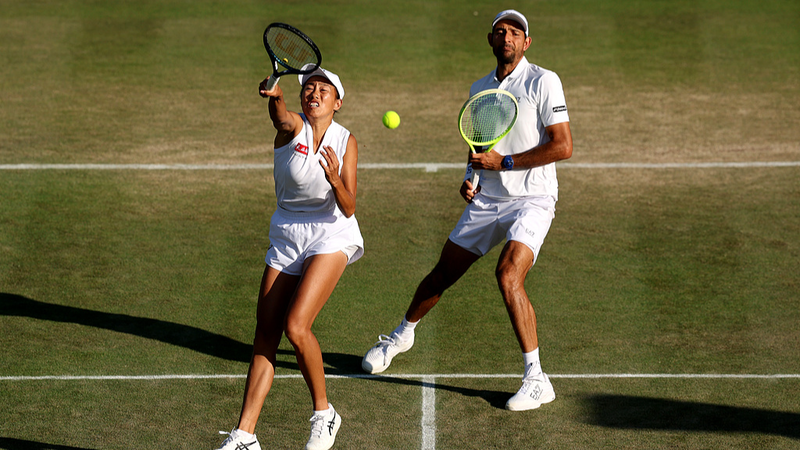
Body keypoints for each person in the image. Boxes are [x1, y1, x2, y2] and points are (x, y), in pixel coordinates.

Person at [362, 9, 572, 412]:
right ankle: (401, 335)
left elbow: (563, 146)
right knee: (443, 273)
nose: (507, 36)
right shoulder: (481, 88)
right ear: (491, 41)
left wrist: (505, 164)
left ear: (526, 43)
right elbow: (479, 143)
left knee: (508, 274)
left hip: (533, 198)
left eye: (515, 32)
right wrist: (471, 175)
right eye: (500, 31)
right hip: (488, 197)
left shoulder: (544, 81)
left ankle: (536, 378)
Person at [216, 66, 363, 450]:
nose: (314, 93)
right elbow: (279, 115)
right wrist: (275, 96)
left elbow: (348, 208)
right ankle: (245, 436)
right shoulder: (290, 128)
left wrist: (334, 179)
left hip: (330, 233)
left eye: (323, 89)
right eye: (309, 88)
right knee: (265, 332)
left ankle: (324, 414)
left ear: (338, 102)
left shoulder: (346, 142)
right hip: (287, 234)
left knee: (296, 327)